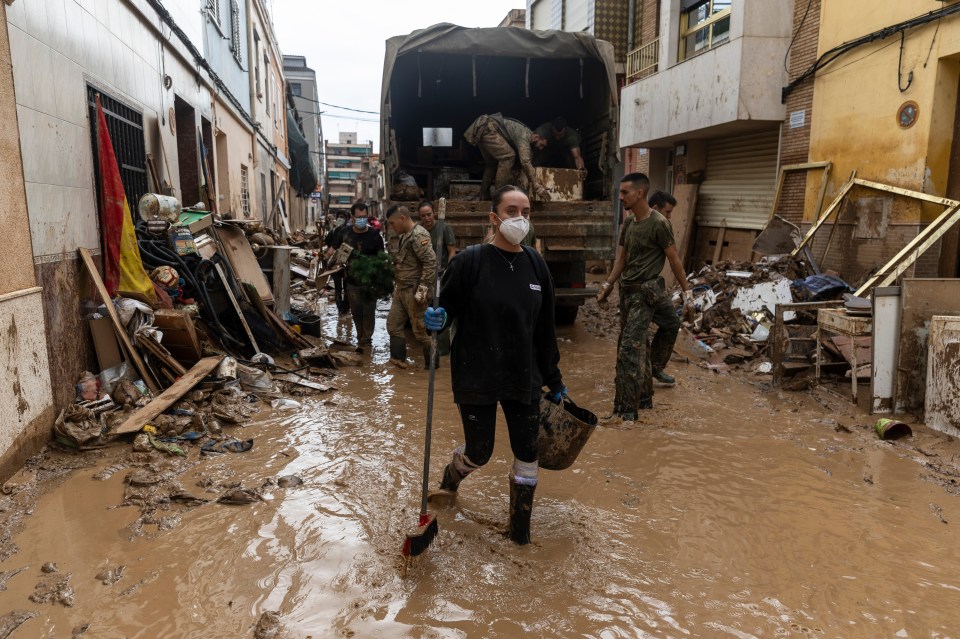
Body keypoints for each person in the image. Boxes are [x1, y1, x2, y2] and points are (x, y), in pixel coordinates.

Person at [424, 185, 566, 545]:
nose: (520, 219)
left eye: (527, 211)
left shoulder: (536, 265)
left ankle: (520, 532)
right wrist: (434, 320)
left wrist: (554, 376)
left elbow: (545, 328)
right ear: (494, 217)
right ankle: (450, 479)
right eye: (512, 210)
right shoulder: (469, 261)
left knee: (528, 452)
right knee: (480, 451)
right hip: (477, 372)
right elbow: (444, 309)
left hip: (525, 375)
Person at [596, 173, 693, 420]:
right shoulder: (629, 223)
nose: (621, 197)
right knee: (637, 345)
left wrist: (687, 291)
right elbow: (622, 259)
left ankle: (625, 413)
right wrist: (608, 284)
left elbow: (674, 259)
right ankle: (644, 398)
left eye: (624, 192)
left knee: (630, 349)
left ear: (640, 193)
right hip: (628, 292)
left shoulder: (659, 223)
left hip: (647, 293)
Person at [386, 204, 437, 368]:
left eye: (392, 223)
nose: (391, 227)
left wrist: (422, 290)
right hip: (401, 289)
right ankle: (398, 362)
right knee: (393, 326)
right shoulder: (404, 236)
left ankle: (432, 368)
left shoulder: (418, 234)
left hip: (414, 289)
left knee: (421, 333)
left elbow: (430, 262)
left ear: (402, 218)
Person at [463, 113, 549, 201]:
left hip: (483, 129)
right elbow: (525, 162)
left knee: (492, 163)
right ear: (536, 137)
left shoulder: (526, 136)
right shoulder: (524, 136)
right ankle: (499, 197)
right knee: (508, 156)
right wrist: (537, 186)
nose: (540, 148)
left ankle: (484, 195)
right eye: (541, 144)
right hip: (488, 128)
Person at [646, 189, 679, 386]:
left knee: (672, 323)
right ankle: (635, 375)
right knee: (634, 337)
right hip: (637, 289)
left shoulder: (661, 226)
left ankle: (655, 367)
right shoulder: (636, 225)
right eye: (667, 212)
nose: (669, 217)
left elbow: (673, 257)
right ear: (656, 208)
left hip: (654, 287)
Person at [342, 202, 385, 352]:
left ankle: (366, 340)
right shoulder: (345, 234)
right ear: (352, 217)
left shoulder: (374, 235)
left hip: (370, 282)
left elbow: (381, 258)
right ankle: (360, 336)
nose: (362, 219)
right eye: (359, 217)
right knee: (356, 312)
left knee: (369, 311)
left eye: (364, 217)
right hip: (352, 281)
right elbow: (338, 254)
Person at [323, 210, 352, 315]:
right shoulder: (334, 230)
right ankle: (340, 308)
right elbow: (328, 244)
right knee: (338, 287)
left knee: (347, 287)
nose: (341, 218)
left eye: (343, 217)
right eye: (339, 216)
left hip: (347, 263)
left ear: (347, 219)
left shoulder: (350, 231)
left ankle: (346, 307)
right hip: (335, 262)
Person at [418, 200, 457, 270]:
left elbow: (452, 252)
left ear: (434, 213)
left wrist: (448, 270)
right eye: (423, 216)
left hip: (441, 269)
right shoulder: (418, 230)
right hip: (424, 271)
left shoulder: (444, 228)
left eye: (429, 214)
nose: (426, 218)